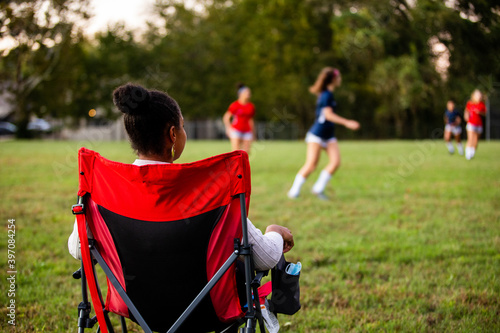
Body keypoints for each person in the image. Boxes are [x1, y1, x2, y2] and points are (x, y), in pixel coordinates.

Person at [68, 83, 294, 271]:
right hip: (206, 310)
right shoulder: (208, 189)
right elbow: (264, 259)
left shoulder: (106, 188)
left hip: (135, 310)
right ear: (173, 134)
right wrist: (274, 231)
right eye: (182, 126)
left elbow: (79, 250)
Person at [287, 67, 360, 200]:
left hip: (329, 135)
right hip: (317, 134)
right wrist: (347, 122)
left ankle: (318, 188)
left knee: (335, 162)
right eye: (339, 77)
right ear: (333, 79)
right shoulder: (326, 95)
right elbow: (328, 115)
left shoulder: (328, 94)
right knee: (311, 165)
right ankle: (294, 191)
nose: (340, 80)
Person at [222, 84, 256, 153]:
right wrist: (228, 129)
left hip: (247, 131)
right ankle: (236, 164)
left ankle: (242, 164)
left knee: (246, 153)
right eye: (247, 92)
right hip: (236, 130)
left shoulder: (251, 106)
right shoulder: (235, 105)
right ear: (241, 94)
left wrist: (253, 133)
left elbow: (251, 120)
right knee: (236, 152)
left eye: (249, 93)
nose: (249, 94)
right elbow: (226, 117)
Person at [464, 89, 486, 160]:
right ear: (473, 96)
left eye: (479, 95)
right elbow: (466, 111)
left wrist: (479, 112)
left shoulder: (482, 104)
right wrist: (466, 116)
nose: (478, 97)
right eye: (477, 95)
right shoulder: (470, 103)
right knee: (470, 139)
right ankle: (468, 155)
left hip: (479, 124)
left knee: (476, 141)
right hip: (471, 123)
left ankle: (472, 153)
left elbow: (485, 113)